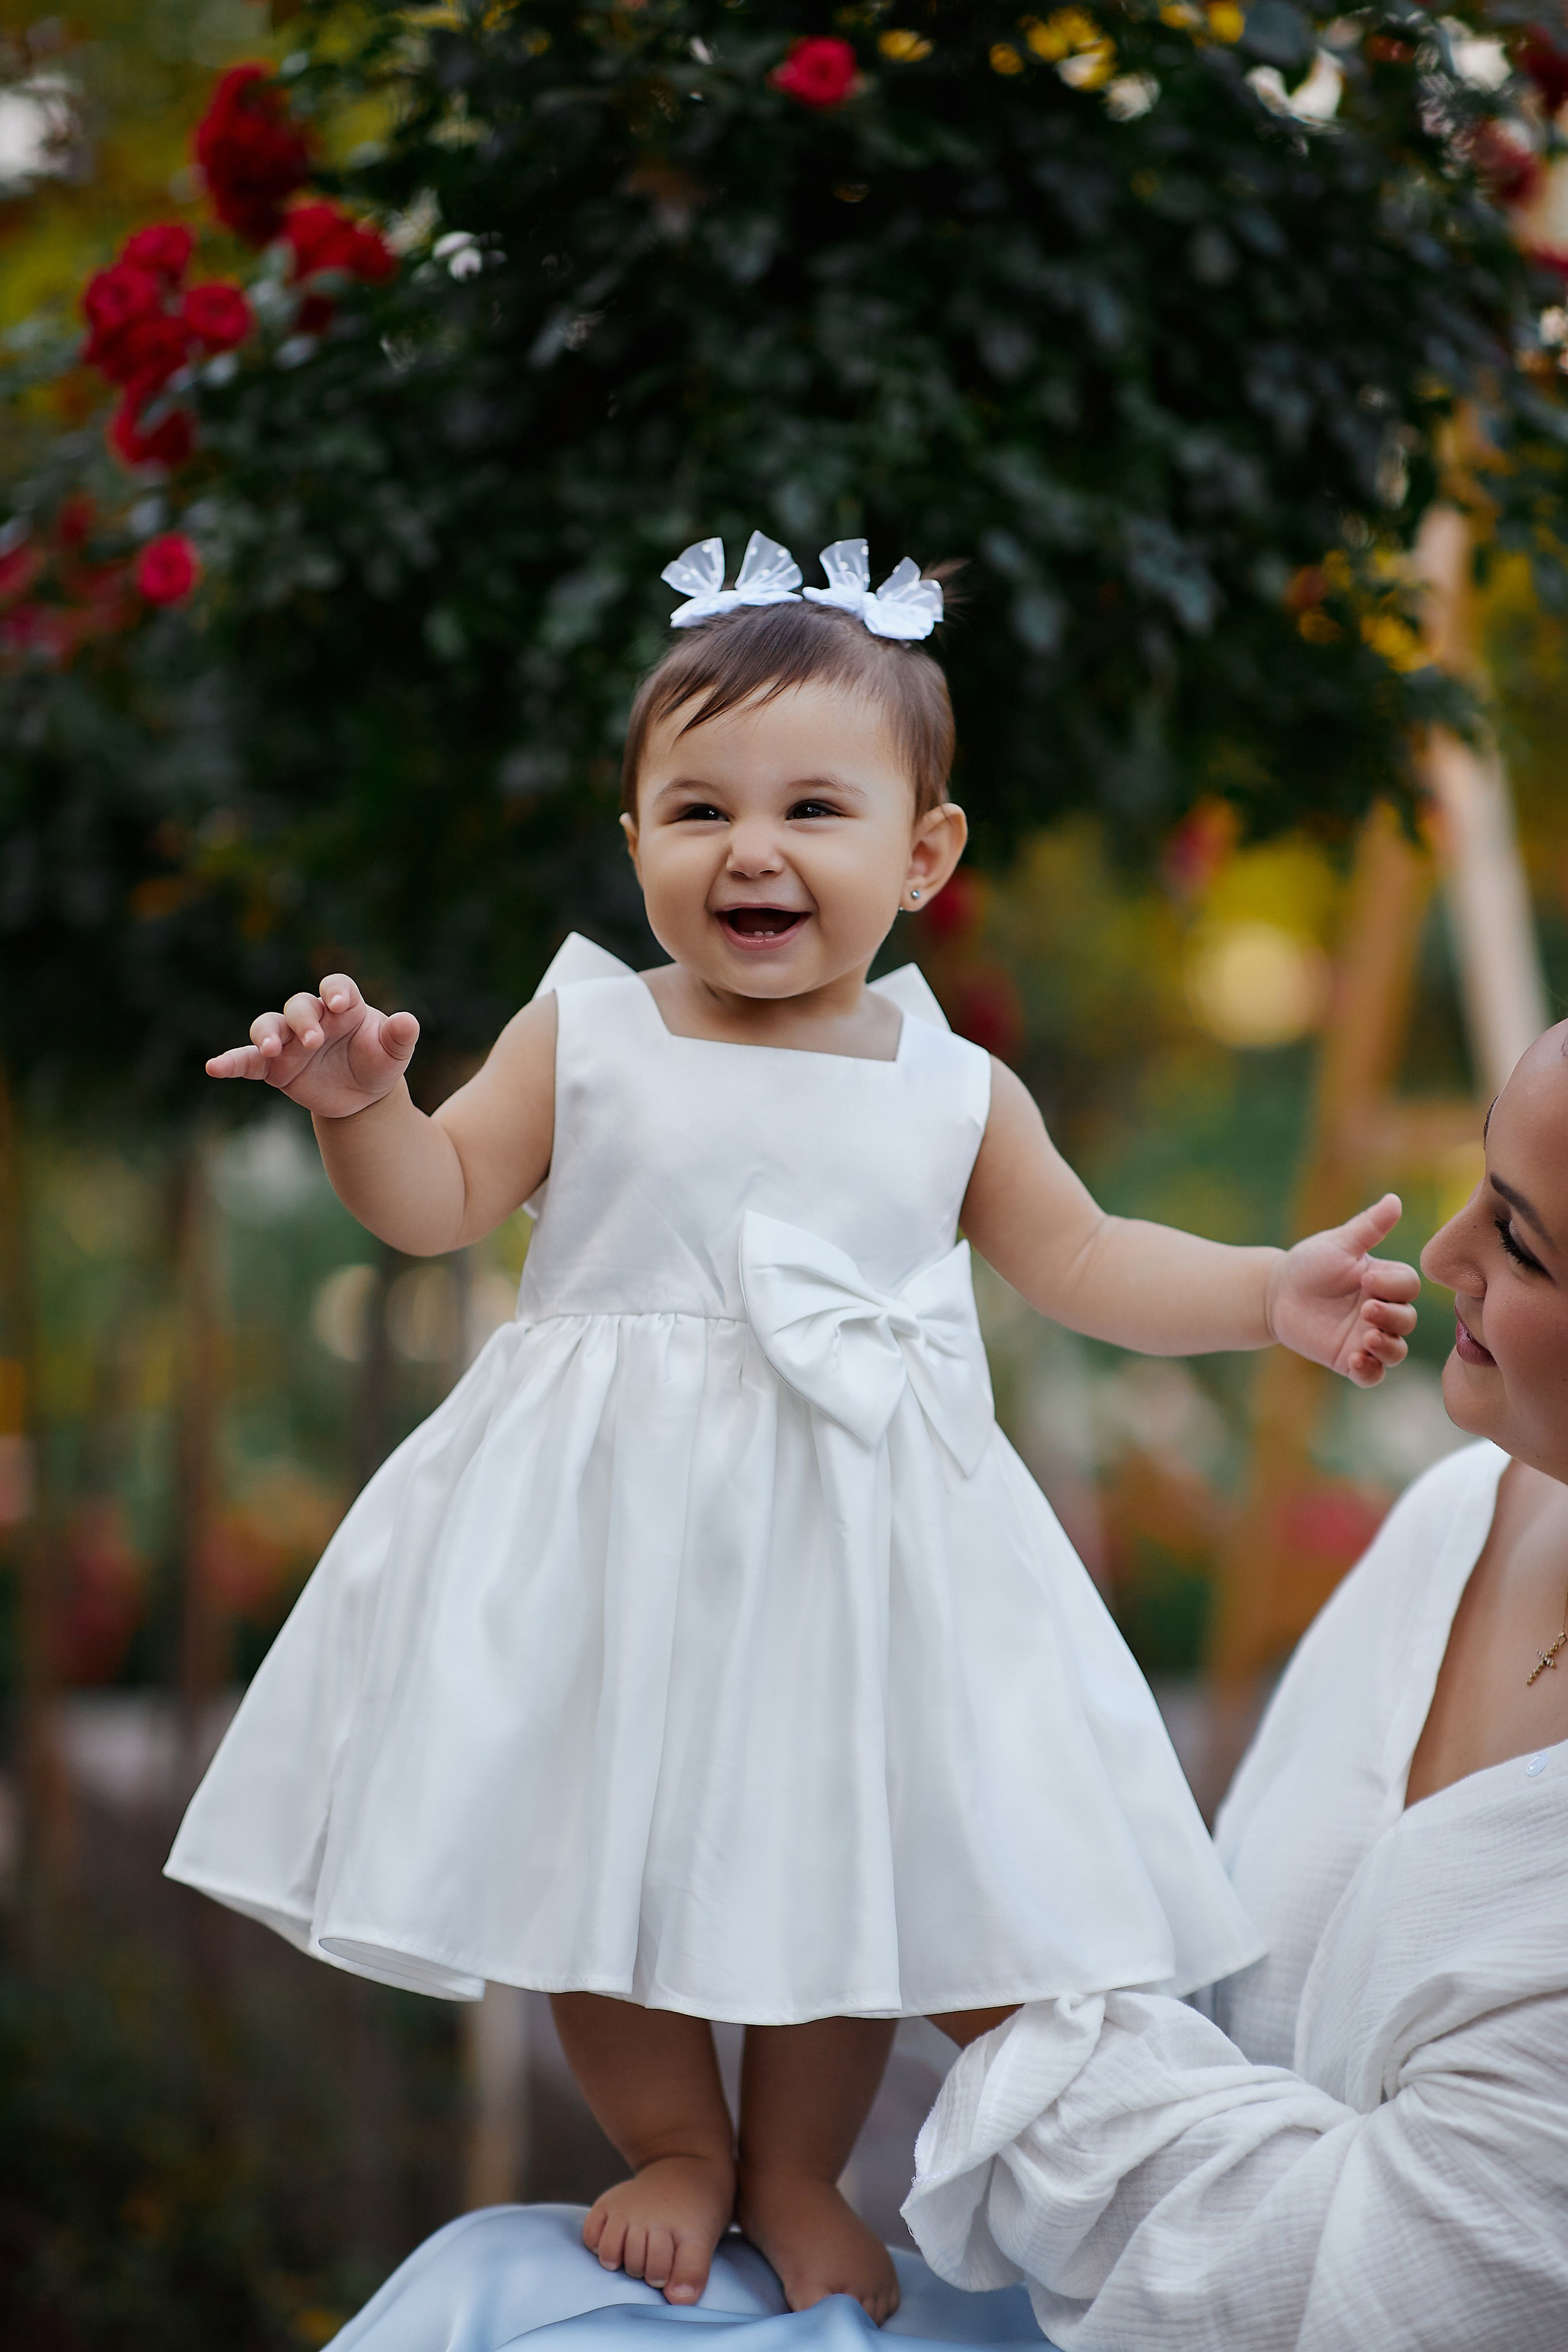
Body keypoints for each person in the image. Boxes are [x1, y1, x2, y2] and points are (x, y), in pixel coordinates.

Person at [166, 531, 1417, 2324]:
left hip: (856, 1545)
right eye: (698, 809)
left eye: (813, 808)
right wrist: (364, 1109)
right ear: (636, 844)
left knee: (842, 1862)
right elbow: (437, 1203)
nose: (751, 848)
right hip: (613, 1538)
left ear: (923, 853)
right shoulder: (585, 1034)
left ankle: (798, 2168)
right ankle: (672, 2135)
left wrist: (1260, 1290)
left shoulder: (952, 1083)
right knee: (599, 1844)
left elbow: (1081, 1255)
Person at [903, 1021, 1568, 2351]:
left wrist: (991, 1974)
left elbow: (1337, 2303)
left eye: (1519, 1239)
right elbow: (1229, 2000)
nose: (1438, 1256)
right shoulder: (1458, 1516)